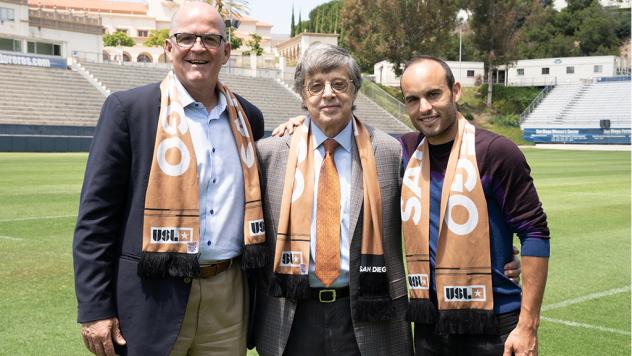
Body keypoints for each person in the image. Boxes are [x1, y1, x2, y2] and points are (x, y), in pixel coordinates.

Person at [72, 2, 265, 355]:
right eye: (186, 37)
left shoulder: (249, 118)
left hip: (228, 295)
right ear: (169, 47)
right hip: (151, 295)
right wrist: (95, 308)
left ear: (226, 51)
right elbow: (96, 218)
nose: (197, 47)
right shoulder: (129, 111)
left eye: (209, 39)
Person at [254, 43, 413, 355]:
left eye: (339, 84)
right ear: (302, 95)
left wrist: (499, 251)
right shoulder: (270, 153)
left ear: (354, 91)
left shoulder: (390, 151)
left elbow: (427, 214)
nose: (328, 93)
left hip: (367, 312)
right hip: (292, 314)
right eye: (316, 86)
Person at [399, 55, 549, 356]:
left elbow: (535, 233)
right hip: (428, 326)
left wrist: (528, 326)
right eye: (412, 100)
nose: (424, 108)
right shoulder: (403, 150)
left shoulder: (496, 152)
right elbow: (344, 130)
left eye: (433, 94)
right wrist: (299, 123)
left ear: (455, 91)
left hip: (494, 325)